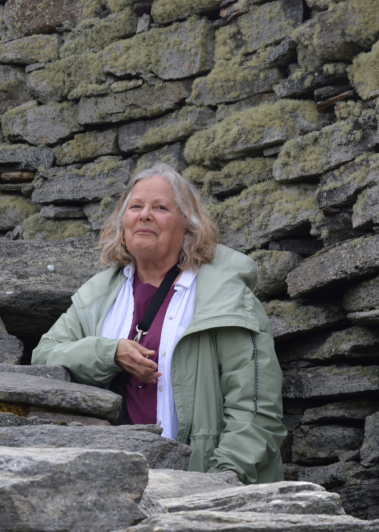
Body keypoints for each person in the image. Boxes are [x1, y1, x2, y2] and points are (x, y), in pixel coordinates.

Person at [32, 163, 286, 484]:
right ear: (122, 223)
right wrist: (109, 353)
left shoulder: (225, 295)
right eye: (135, 206)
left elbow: (255, 407)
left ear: (188, 226)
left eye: (161, 208)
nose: (145, 215)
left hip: (204, 479)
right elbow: (44, 357)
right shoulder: (97, 295)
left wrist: (221, 479)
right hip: (117, 480)